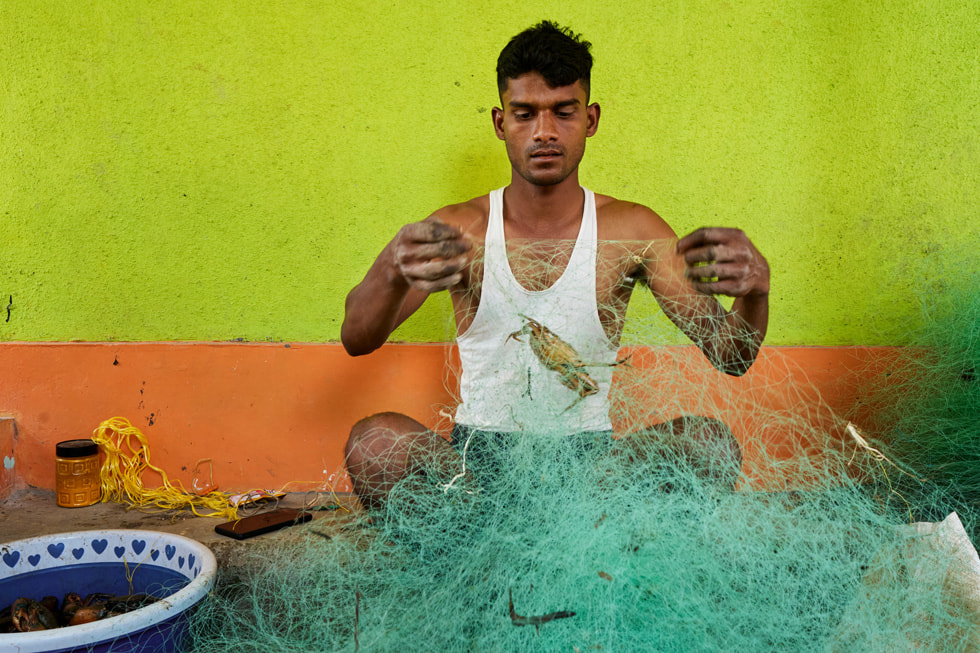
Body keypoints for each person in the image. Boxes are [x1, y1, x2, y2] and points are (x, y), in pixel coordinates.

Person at [341, 21, 770, 511]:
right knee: (374, 444)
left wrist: (756, 293)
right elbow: (357, 338)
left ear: (590, 119)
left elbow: (731, 357)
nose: (544, 131)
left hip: (591, 474)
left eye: (562, 112)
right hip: (474, 470)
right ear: (501, 124)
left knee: (707, 445)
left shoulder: (630, 229)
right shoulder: (462, 228)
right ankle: (470, 576)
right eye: (525, 115)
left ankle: (592, 572)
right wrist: (392, 269)